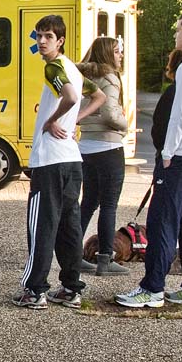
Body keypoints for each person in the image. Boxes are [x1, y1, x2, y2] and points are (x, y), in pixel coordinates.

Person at [116, 10, 182, 308]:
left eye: (179, 30)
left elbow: (180, 116)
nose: (175, 34)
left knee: (162, 220)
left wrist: (167, 153)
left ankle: (152, 288)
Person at [13, 15, 105, 310]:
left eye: (48, 36)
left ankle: (35, 289)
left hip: (50, 159)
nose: (41, 41)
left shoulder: (54, 67)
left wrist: (53, 120)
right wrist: (74, 119)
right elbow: (99, 96)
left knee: (41, 224)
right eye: (39, 35)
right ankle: (70, 287)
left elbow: (69, 96)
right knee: (68, 226)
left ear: (60, 40)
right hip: (71, 159)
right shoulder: (74, 69)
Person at [76, 37, 129, 276]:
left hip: (85, 145)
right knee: (109, 205)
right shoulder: (110, 78)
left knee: (87, 203)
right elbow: (109, 113)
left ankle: (73, 253)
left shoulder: (84, 77)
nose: (120, 56)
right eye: (117, 52)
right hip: (108, 146)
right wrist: (124, 124)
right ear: (108, 54)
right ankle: (105, 258)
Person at [151, 50, 182, 156]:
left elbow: (161, 121)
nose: (167, 66)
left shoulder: (174, 91)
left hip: (171, 152)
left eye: (169, 61)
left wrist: (163, 149)